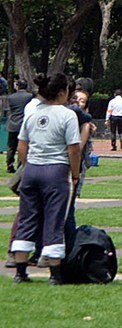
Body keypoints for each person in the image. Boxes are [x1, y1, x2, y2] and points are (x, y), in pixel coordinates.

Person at [6, 73, 84, 281]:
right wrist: (75, 174)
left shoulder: (32, 113)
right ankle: (54, 273)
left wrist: (28, 165)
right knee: (54, 219)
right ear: (61, 93)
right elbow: (74, 149)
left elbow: (22, 145)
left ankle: (20, 271)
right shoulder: (67, 115)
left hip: (32, 170)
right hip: (56, 171)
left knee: (27, 218)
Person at [2, 78, 28, 173]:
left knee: (11, 147)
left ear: (17, 86)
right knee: (23, 145)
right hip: (23, 124)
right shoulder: (29, 96)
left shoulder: (11, 97)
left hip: (12, 123)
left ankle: (9, 165)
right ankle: (20, 165)